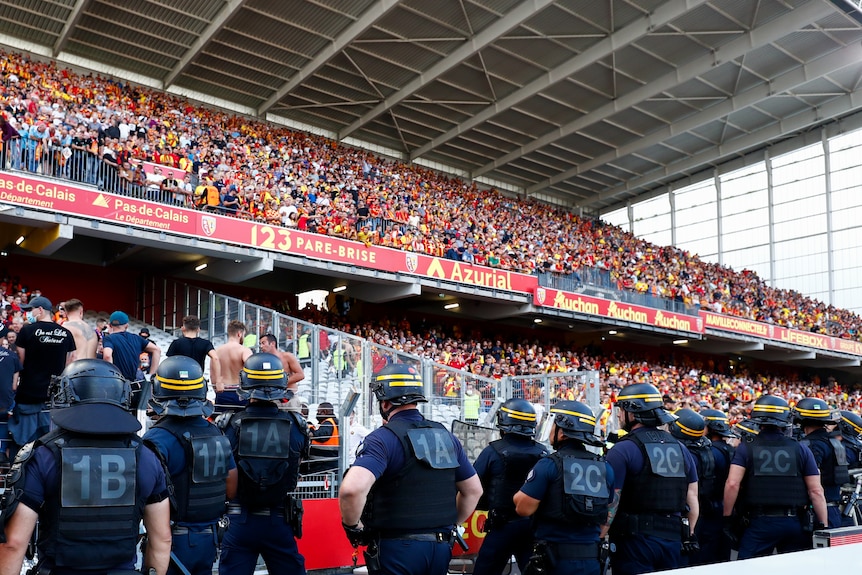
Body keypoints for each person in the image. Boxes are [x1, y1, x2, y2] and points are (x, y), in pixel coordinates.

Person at [0, 359, 172, 574]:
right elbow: (162, 539)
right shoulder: (146, 456)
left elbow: (14, 543)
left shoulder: (43, 455)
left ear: (65, 393)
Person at [338, 363, 483, 575]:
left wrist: (353, 528)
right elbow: (474, 490)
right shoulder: (446, 436)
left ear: (384, 402)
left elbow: (351, 490)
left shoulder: (382, 439)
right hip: (441, 547)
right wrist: (447, 523)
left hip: (398, 549)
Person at [143, 355, 238, 575]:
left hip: (171, 540)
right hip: (210, 537)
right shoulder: (216, 432)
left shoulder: (156, 438)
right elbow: (231, 487)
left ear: (159, 390)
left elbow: (145, 496)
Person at [219, 352, 309, 574]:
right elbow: (298, 468)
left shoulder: (230, 425)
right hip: (278, 519)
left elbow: (223, 472)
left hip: (240, 519)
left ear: (245, 382)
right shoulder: (297, 426)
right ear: (281, 382)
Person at [603, 382, 699, 575]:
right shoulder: (681, 448)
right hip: (672, 539)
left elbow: (612, 500)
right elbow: (692, 497)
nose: (620, 414)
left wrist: (600, 536)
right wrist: (688, 534)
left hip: (634, 541)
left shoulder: (622, 450)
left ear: (632, 412)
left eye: (622, 409)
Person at [514, 401, 614, 575]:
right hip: (591, 559)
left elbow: (523, 508)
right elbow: (608, 513)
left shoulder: (549, 464)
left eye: (553, 424)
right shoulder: (605, 467)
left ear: (563, 433)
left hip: (554, 560)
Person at [722, 394, 828, 559]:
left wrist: (727, 518)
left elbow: (732, 484)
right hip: (794, 522)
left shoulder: (746, 448)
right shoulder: (801, 448)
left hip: (759, 523)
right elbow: (816, 491)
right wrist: (823, 524)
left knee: (747, 569)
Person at [473, 398, 548, 575]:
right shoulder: (544, 452)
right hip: (533, 527)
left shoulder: (493, 451)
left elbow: (474, 485)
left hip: (502, 527)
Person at [10, 296, 75, 459]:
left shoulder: (27, 331)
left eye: (30, 310)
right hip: (53, 397)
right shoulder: (66, 334)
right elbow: (70, 361)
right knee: (51, 446)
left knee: (24, 447)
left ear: (40, 310)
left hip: (28, 394)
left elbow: (20, 360)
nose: (28, 314)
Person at [794, 397, 847, 528]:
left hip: (816, 512)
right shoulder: (835, 443)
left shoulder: (810, 445)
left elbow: (814, 487)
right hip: (834, 509)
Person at [697, 408, 738, 563]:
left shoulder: (709, 452)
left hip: (709, 510)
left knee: (705, 558)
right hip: (728, 507)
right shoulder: (732, 450)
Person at [102, 310, 161, 408]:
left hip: (117, 384)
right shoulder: (136, 338)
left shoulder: (109, 338)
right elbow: (157, 350)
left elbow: (107, 355)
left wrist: (111, 377)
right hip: (134, 384)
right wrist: (151, 375)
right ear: (126, 325)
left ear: (110, 325)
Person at [167, 315, 221, 394]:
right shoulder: (206, 343)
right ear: (198, 329)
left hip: (179, 382)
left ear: (183, 328)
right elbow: (215, 358)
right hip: (197, 381)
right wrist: (218, 381)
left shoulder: (176, 343)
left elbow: (169, 362)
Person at [214, 320, 253, 412]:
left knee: (221, 422)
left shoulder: (217, 351)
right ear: (239, 334)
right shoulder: (244, 350)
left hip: (223, 392)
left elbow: (213, 375)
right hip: (241, 393)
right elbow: (252, 367)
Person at [308, 401, 339, 473]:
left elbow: (319, 436)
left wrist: (310, 429)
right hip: (329, 463)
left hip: (324, 465)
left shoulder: (328, 423)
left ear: (324, 412)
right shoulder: (335, 422)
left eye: (318, 411)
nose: (317, 414)